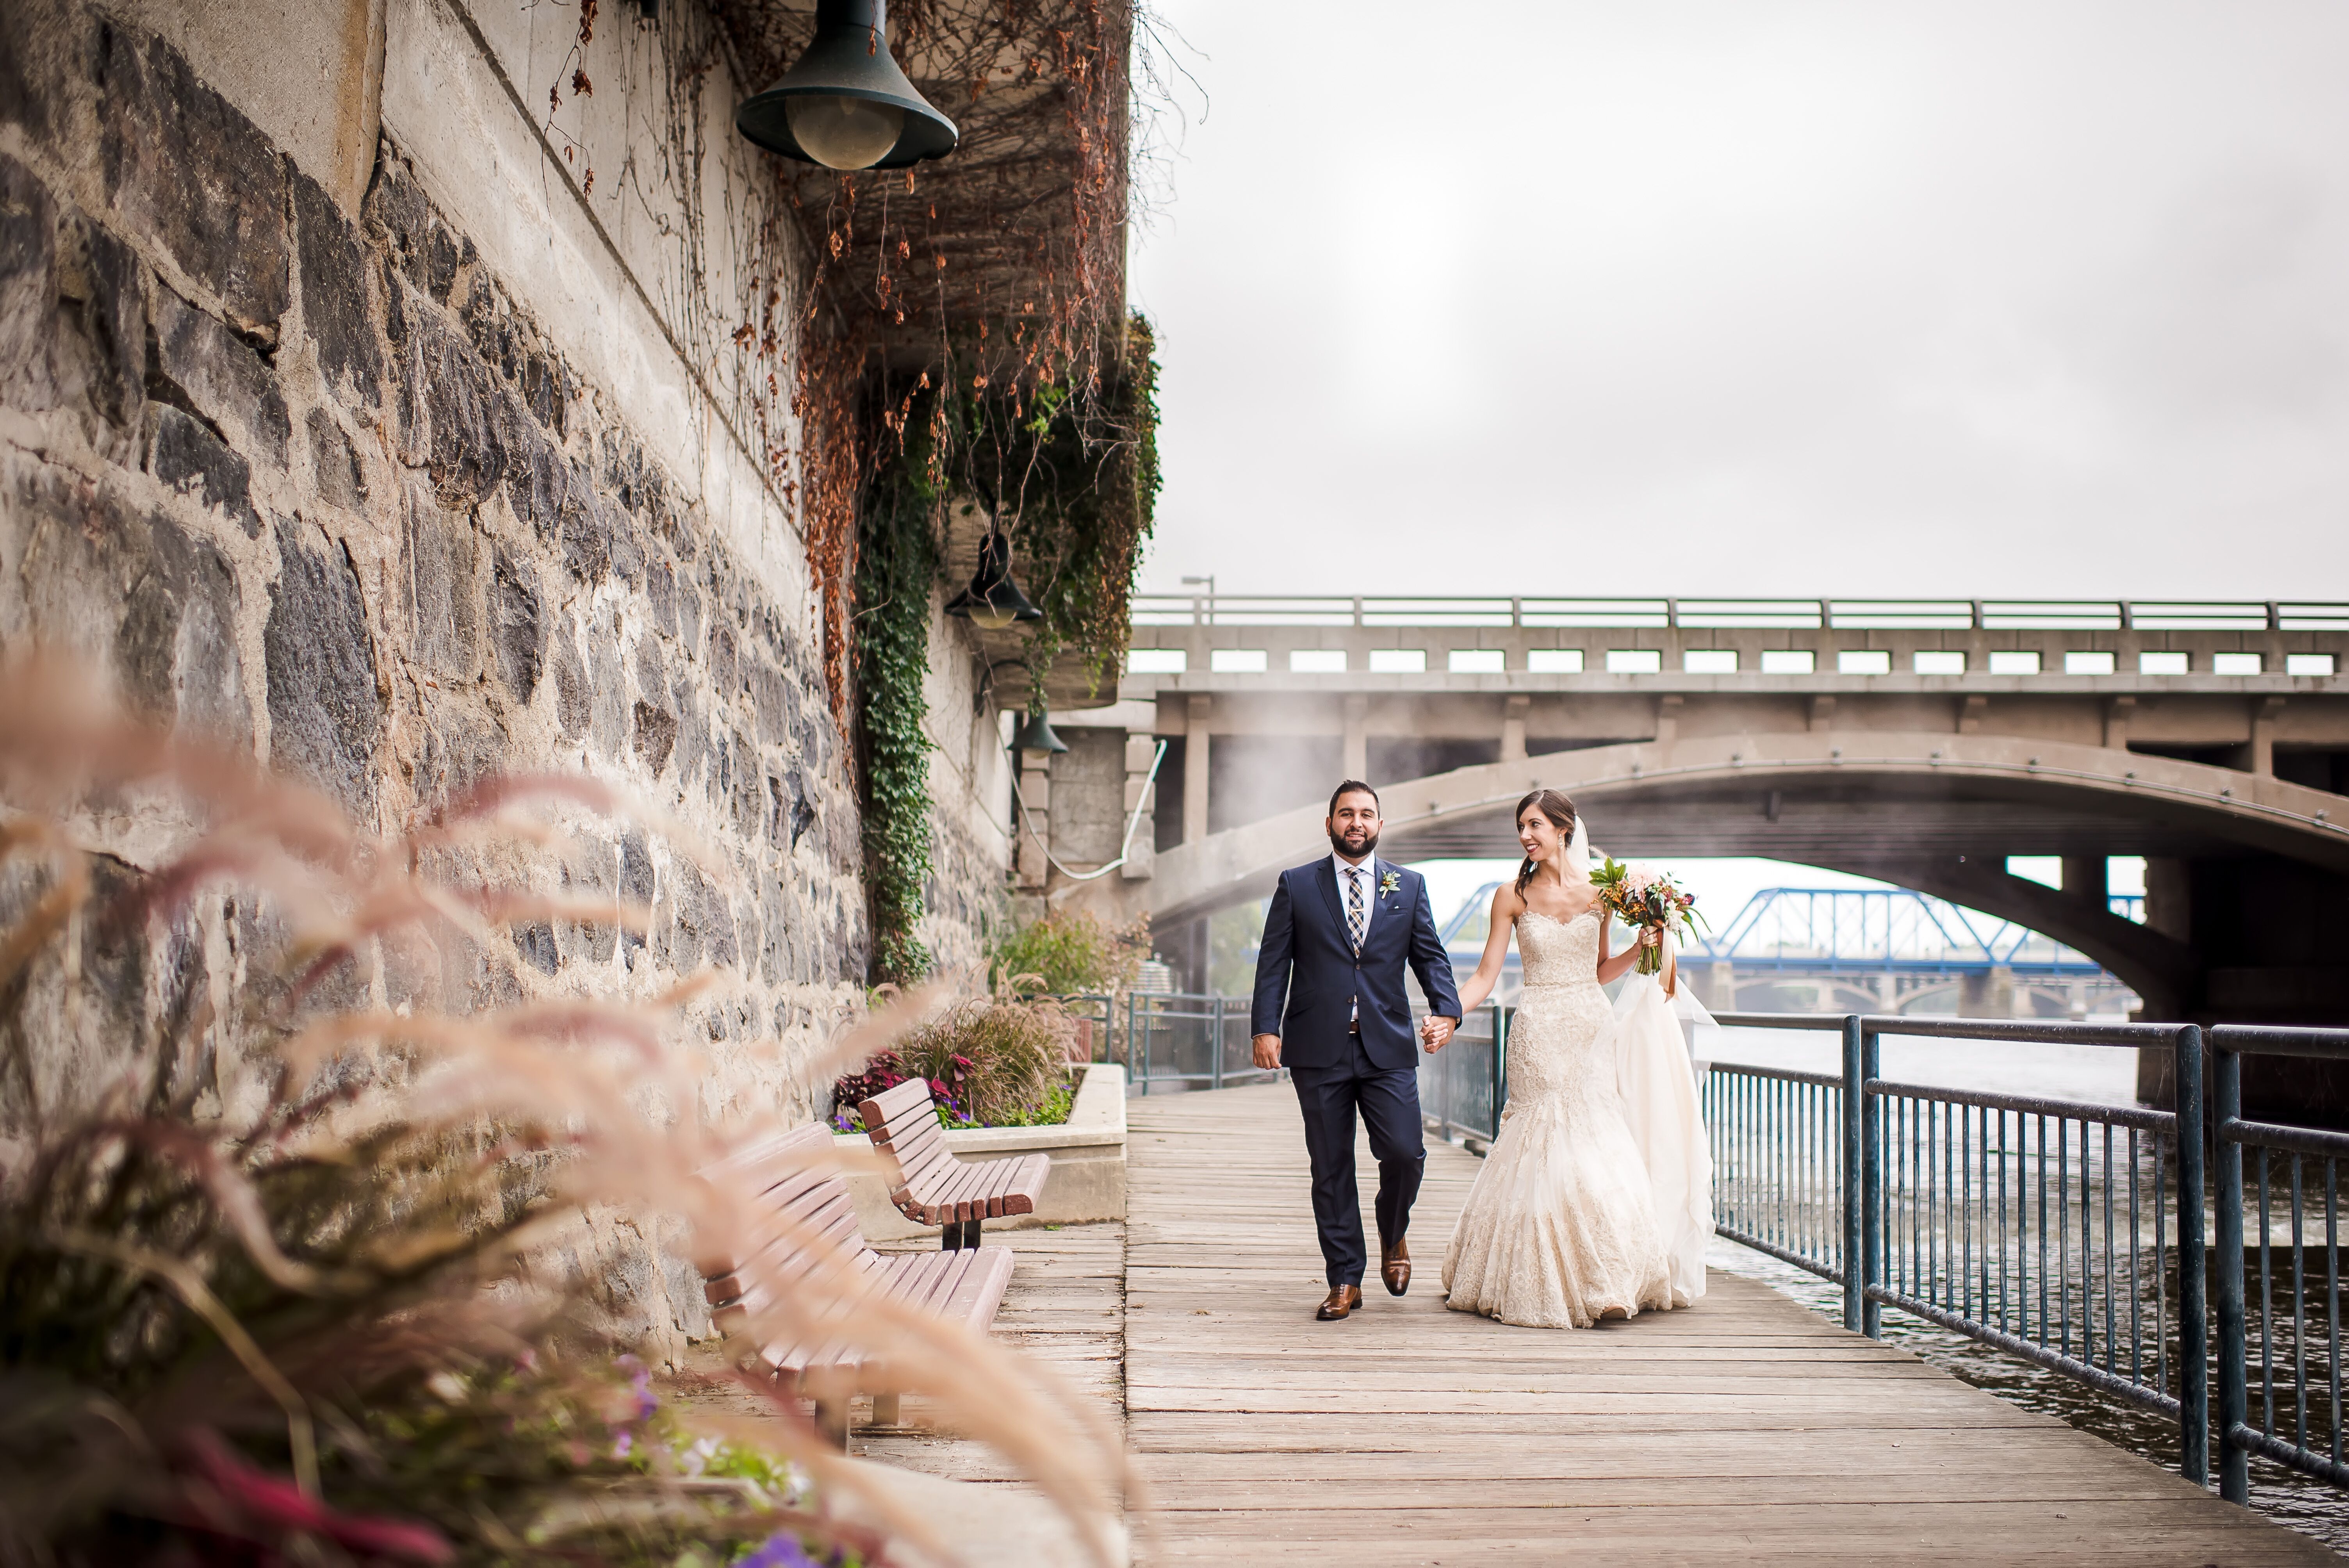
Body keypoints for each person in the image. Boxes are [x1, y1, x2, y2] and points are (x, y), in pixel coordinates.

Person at [1433, 788, 1702, 1329]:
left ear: (1563, 829)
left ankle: (1605, 1276)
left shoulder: (1601, 896)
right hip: (1535, 1030)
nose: (1526, 836)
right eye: (1521, 828)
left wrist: (1645, 945)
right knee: (1539, 1141)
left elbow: (1598, 970)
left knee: (1593, 1142)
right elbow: (1486, 975)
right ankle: (1541, 1275)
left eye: (1535, 825)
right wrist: (1449, 1014)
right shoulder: (1510, 895)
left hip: (1588, 1028)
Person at [1250, 781, 1463, 1321]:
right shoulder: (1297, 885)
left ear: (1380, 825)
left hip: (1387, 1045)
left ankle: (1395, 1233)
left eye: (1367, 814)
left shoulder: (1408, 886)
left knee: (1405, 1152)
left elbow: (1430, 957)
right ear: (1329, 824)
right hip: (1317, 1046)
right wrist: (1264, 1028)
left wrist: (1447, 1009)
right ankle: (1345, 1277)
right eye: (1346, 814)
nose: (1356, 822)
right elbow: (1274, 962)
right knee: (1331, 1166)